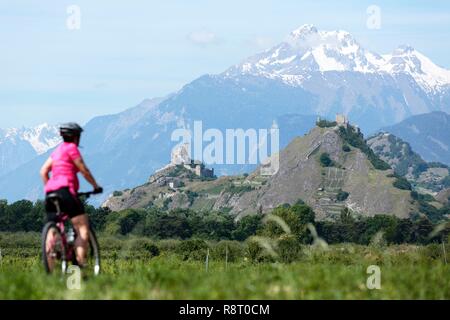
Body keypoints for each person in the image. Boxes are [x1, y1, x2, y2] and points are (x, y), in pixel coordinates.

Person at [40, 123, 102, 267]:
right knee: (82, 227)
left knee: (52, 230)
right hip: (66, 191)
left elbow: (43, 171)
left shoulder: (56, 151)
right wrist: (95, 186)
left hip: (50, 194)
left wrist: (50, 187)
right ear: (76, 137)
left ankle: (49, 271)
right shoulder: (71, 148)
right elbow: (83, 170)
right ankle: (80, 263)